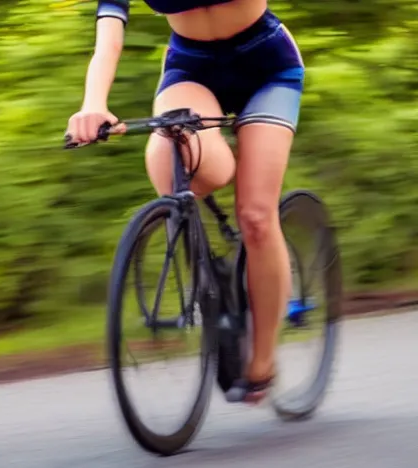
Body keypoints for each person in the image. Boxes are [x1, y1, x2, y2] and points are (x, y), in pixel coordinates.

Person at [66, 0, 305, 403]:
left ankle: (261, 362)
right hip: (192, 70)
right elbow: (108, 40)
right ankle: (221, 280)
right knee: (170, 171)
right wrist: (93, 105)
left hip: (267, 66)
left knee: (256, 215)